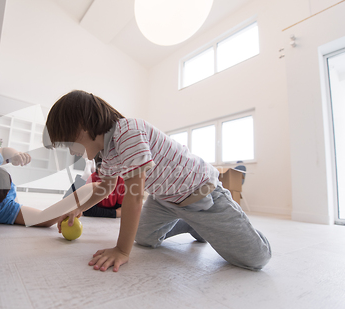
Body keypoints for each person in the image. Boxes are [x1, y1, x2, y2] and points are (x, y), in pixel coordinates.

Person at [44, 90, 271, 272]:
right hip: (165, 200)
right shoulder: (106, 155)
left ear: (83, 126)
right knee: (144, 238)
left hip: (201, 192)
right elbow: (106, 187)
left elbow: (133, 196)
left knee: (256, 259)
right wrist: (78, 209)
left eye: (68, 144)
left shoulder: (127, 132)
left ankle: (208, 221)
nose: (72, 153)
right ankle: (191, 223)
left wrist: (122, 250)